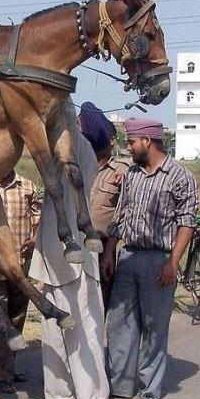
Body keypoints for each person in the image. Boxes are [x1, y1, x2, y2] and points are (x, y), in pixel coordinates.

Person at [100, 117, 198, 399]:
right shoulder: (132, 174)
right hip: (129, 256)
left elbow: (187, 223)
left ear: (149, 141)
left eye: (132, 142)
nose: (128, 147)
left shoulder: (180, 176)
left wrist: (172, 262)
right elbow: (121, 215)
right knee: (119, 324)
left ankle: (150, 387)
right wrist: (109, 252)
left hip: (160, 259)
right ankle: (120, 383)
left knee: (154, 326)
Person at [29, 112, 112, 399]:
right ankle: (60, 395)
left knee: (82, 330)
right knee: (53, 331)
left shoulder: (78, 147)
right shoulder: (60, 147)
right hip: (54, 254)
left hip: (75, 255)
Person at [0, 169, 41, 394]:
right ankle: (0, 374)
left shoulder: (27, 186)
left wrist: (35, 237)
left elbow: (37, 215)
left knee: (17, 318)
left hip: (20, 266)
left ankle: (9, 367)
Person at [77, 101, 130, 306]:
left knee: (99, 306)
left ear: (113, 142)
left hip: (102, 250)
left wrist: (109, 252)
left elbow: (122, 216)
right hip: (76, 246)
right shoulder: (78, 167)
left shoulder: (122, 171)